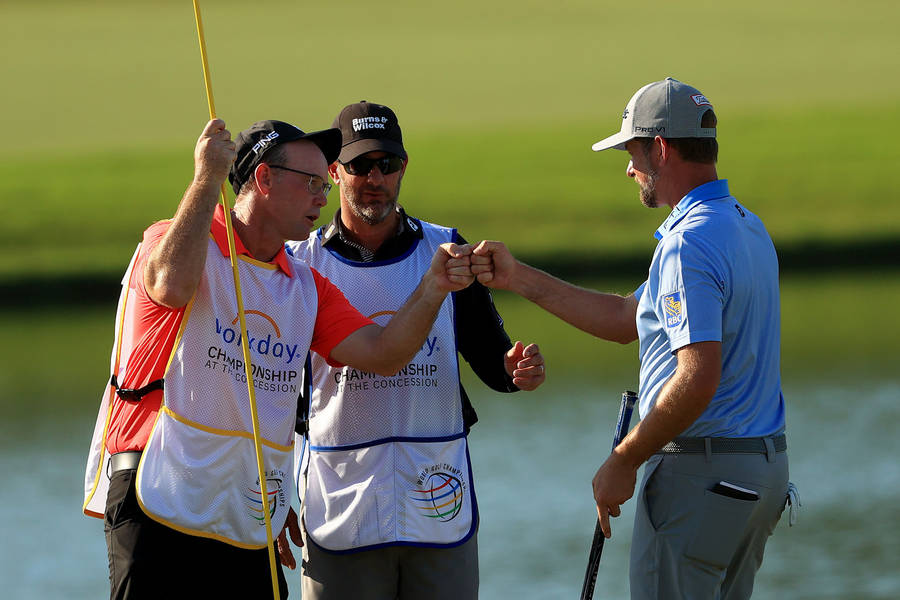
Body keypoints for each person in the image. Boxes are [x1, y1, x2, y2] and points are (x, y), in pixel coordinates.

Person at [82, 117, 476, 600]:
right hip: (160, 490)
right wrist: (205, 179)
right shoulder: (177, 239)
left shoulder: (304, 284)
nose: (323, 198)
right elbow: (170, 286)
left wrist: (433, 287)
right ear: (264, 179)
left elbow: (383, 354)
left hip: (246, 507)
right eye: (311, 183)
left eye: (323, 184)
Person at [471, 78, 790, 599]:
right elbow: (627, 318)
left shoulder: (688, 245)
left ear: (660, 148)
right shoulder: (746, 225)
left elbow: (697, 377)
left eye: (633, 152)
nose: (629, 168)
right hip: (760, 473)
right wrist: (517, 277)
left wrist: (624, 459)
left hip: (700, 476)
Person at [277, 101, 546, 600]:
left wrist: (515, 370)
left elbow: (491, 359)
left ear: (404, 167)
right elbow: (270, 393)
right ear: (334, 172)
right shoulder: (299, 262)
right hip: (341, 505)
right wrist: (270, 495)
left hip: (438, 499)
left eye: (387, 163)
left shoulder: (447, 249)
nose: (374, 178)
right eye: (360, 165)